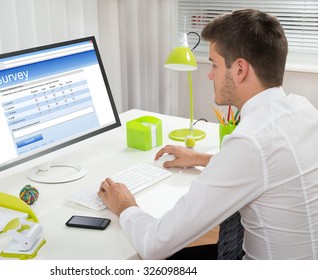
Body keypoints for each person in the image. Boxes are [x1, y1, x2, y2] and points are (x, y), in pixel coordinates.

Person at [98, 9, 318, 260]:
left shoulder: (250, 142)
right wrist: (203, 159)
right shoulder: (303, 110)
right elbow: (273, 166)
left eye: (214, 64)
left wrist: (126, 206)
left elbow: (154, 244)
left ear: (239, 70)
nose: (209, 74)